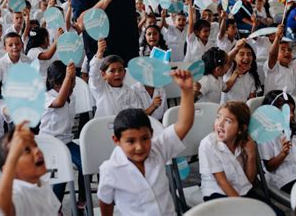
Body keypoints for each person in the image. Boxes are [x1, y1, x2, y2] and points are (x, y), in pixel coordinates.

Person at [97, 69, 195, 215]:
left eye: (145, 138)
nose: (139, 147)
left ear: (152, 134)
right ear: (116, 140)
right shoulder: (110, 169)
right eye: (130, 141)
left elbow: (183, 125)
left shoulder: (158, 149)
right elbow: (105, 202)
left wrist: (186, 91)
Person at [198, 101, 283, 216]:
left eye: (228, 121)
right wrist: (242, 207)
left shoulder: (244, 142)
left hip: (242, 190)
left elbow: (249, 180)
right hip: (218, 193)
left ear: (241, 129)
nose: (220, 124)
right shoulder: (208, 144)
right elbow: (222, 182)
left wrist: (251, 155)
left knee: (277, 214)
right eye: (218, 118)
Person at [41, 61, 86, 209]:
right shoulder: (46, 96)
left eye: (72, 81)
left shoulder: (72, 97)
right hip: (49, 144)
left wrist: (70, 78)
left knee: (85, 162)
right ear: (53, 82)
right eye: (64, 82)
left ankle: (83, 200)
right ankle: (56, 207)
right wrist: (68, 76)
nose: (69, 86)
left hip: (66, 142)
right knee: (60, 170)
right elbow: (59, 102)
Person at [0, 121, 60, 216]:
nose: (37, 150)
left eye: (35, 145)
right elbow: (1, 211)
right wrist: (13, 156)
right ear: (10, 168)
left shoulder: (42, 183)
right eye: (27, 150)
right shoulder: (18, 192)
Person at [89, 39, 142, 118]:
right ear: (103, 74)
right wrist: (99, 53)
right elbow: (94, 74)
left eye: (120, 70)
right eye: (112, 71)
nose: (117, 74)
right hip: (103, 126)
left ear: (125, 73)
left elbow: (138, 113)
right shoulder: (100, 88)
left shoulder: (130, 92)